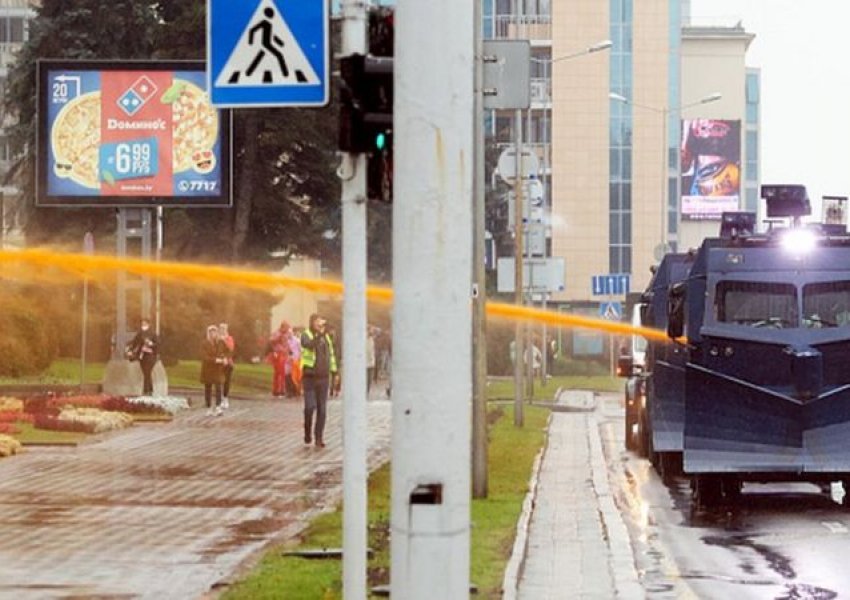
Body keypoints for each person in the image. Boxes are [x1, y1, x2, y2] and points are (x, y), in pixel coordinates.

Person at [301, 314, 337, 448]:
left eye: (321, 321)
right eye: (317, 321)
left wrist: (335, 372)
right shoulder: (306, 334)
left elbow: (331, 355)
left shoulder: (326, 337)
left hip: (323, 377)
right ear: (312, 322)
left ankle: (319, 437)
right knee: (310, 407)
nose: (320, 324)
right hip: (310, 376)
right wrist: (319, 335)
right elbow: (309, 346)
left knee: (322, 409)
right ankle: (307, 432)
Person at [200, 325, 229, 417]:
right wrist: (215, 360)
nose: (213, 334)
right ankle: (208, 407)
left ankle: (218, 407)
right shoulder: (204, 343)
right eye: (211, 332)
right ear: (208, 333)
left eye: (215, 332)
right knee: (208, 388)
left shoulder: (220, 342)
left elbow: (228, 351)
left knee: (218, 387)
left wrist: (225, 358)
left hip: (218, 369)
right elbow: (204, 357)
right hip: (208, 369)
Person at [125, 318, 159, 396]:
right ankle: (150, 390)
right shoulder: (140, 333)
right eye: (142, 324)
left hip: (150, 356)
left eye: (145, 324)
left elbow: (157, 344)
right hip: (142, 356)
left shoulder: (153, 334)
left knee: (147, 372)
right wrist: (129, 350)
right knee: (146, 373)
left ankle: (146, 391)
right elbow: (135, 343)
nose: (143, 325)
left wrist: (151, 344)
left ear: (148, 324)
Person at [266, 322, 291, 397]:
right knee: (278, 372)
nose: (287, 330)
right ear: (282, 327)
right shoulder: (277, 333)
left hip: (284, 354)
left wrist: (289, 352)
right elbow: (271, 341)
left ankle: (282, 389)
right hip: (278, 353)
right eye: (286, 328)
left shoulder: (286, 334)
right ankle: (277, 389)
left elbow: (287, 344)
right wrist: (278, 339)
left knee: (283, 372)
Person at [219, 322, 235, 409]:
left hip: (227, 363)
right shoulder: (217, 339)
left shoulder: (229, 338)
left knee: (226, 381)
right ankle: (220, 398)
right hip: (218, 362)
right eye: (221, 329)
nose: (222, 331)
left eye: (224, 329)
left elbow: (231, 349)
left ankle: (225, 398)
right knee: (219, 381)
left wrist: (224, 340)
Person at [287, 327, 303, 397]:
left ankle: (297, 391)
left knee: (297, 377)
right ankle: (290, 391)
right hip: (289, 361)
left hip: (297, 360)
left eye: (290, 333)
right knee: (289, 376)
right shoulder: (287, 341)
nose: (289, 334)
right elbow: (287, 350)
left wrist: (300, 357)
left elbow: (300, 350)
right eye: (288, 333)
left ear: (292, 333)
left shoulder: (297, 340)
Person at [366, 326, 376, 393]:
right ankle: (365, 390)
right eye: (370, 330)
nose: (371, 332)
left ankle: (367, 391)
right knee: (365, 378)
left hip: (371, 362)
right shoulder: (363, 339)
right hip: (364, 363)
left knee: (369, 379)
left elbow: (372, 351)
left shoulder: (372, 339)